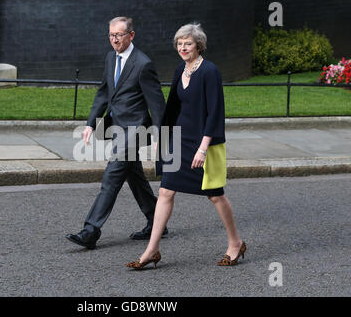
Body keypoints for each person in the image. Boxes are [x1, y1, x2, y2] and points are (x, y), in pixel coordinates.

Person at [126, 23, 246, 269]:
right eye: (179, 44)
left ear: (198, 45)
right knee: (165, 191)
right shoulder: (181, 68)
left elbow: (215, 113)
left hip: (204, 142)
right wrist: (161, 135)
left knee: (215, 195)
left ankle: (236, 243)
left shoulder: (210, 71)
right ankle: (152, 249)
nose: (182, 48)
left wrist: (203, 148)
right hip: (179, 139)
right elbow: (173, 107)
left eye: (187, 43)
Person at [66, 17, 167, 249]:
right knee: (135, 177)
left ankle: (90, 231)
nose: (114, 40)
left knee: (111, 178)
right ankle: (156, 220)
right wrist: (91, 123)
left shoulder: (143, 64)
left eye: (119, 35)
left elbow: (157, 104)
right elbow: (104, 92)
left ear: (131, 35)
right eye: (111, 35)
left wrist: (159, 135)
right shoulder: (111, 58)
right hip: (116, 128)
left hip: (135, 131)